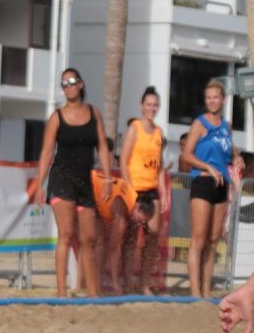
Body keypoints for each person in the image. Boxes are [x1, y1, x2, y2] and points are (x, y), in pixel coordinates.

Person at [33, 68, 112, 298]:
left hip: (84, 180)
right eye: (64, 83)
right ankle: (61, 291)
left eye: (71, 82)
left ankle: (93, 293)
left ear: (81, 84)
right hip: (62, 179)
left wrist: (107, 176)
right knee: (66, 235)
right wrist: (39, 184)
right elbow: (47, 153)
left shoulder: (93, 112)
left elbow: (103, 147)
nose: (68, 86)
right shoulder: (57, 117)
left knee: (89, 238)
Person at [181, 78, 245, 298]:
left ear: (223, 99)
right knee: (198, 239)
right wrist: (207, 166)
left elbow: (229, 149)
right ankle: (195, 292)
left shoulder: (227, 126)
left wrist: (237, 157)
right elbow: (186, 154)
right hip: (203, 182)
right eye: (208, 97)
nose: (212, 101)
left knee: (213, 240)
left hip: (222, 184)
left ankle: (207, 290)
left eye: (216, 97)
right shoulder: (200, 124)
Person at [119, 86, 169, 294]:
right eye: (148, 104)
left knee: (152, 236)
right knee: (131, 237)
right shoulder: (135, 128)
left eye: (155, 105)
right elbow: (123, 160)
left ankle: (144, 283)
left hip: (152, 190)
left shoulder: (159, 132)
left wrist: (164, 192)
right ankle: (128, 282)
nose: (152, 108)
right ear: (142, 106)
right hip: (135, 189)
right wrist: (130, 191)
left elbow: (159, 165)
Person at [89, 169, 153, 294]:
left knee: (97, 241)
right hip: (87, 186)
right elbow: (114, 248)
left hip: (92, 187)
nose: (139, 223)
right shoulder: (123, 211)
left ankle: (92, 285)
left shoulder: (131, 196)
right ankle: (96, 285)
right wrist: (115, 283)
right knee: (97, 243)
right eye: (141, 219)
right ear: (138, 207)